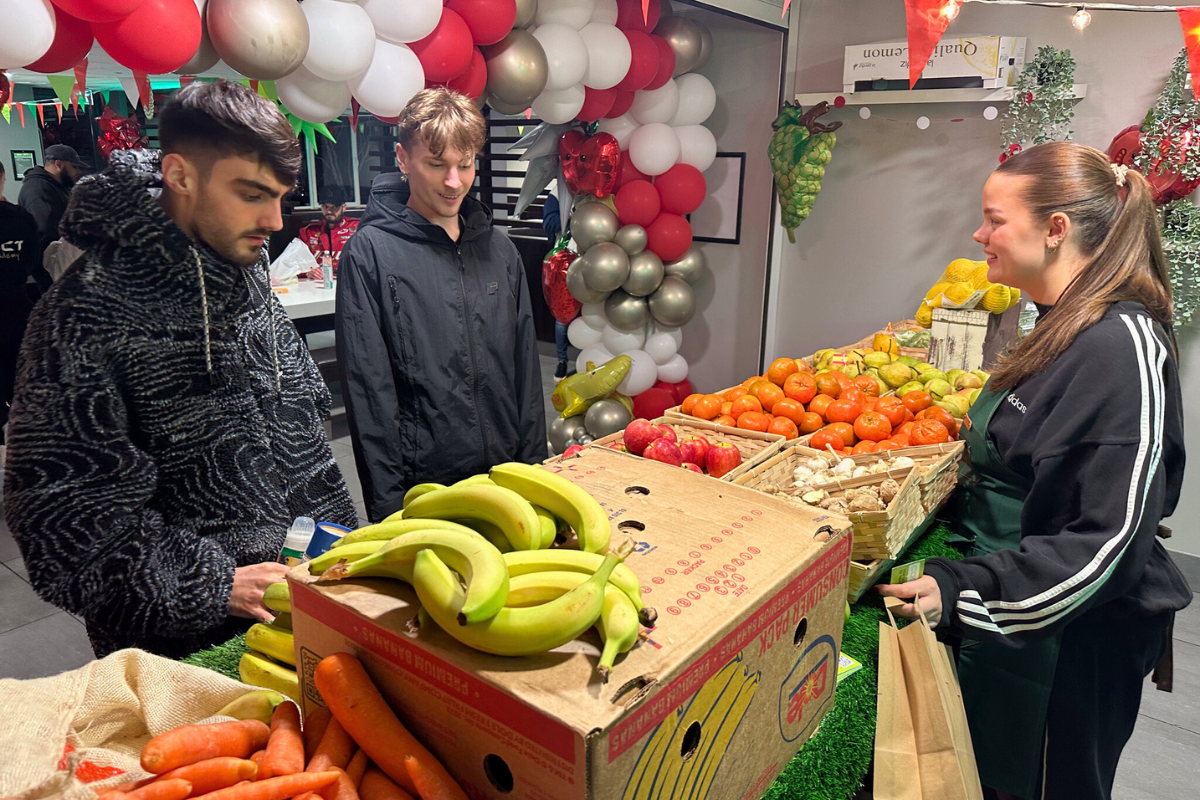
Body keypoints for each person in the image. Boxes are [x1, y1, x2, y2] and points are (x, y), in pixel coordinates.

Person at [878, 142, 1192, 800]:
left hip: (1070, 638)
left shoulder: (1119, 346)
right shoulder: (1060, 322)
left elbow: (1108, 543)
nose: (978, 233)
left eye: (994, 218)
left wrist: (968, 590)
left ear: (1056, 230)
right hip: (1013, 604)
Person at [3, 80, 357, 659]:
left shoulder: (245, 283)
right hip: (187, 650)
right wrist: (213, 586)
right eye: (251, 194)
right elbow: (61, 521)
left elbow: (302, 439)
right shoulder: (82, 316)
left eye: (281, 197)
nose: (274, 220)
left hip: (307, 608)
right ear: (180, 176)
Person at [337, 87, 547, 523]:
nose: (455, 182)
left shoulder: (500, 250)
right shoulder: (370, 253)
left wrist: (533, 473)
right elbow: (368, 391)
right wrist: (388, 510)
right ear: (402, 159)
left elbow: (526, 373)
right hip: (425, 488)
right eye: (437, 165)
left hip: (506, 477)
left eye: (465, 164)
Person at [0, 159, 44, 446]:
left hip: (15, 314)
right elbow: (31, 262)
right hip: (15, 311)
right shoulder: (19, 219)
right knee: (22, 392)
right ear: (3, 178)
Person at [18, 143, 86, 254]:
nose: (78, 172)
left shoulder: (61, 186)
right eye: (74, 166)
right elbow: (48, 231)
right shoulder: (38, 188)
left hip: (63, 256)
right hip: (49, 261)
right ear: (58, 164)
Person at [299, 184, 358, 281]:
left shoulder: (357, 228)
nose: (329, 211)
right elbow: (292, 264)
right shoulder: (309, 231)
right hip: (315, 287)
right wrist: (306, 272)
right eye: (325, 206)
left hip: (349, 284)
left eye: (334, 207)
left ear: (344, 207)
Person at [541, 191, 571, 378]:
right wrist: (572, 217)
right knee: (562, 314)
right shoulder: (557, 193)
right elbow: (549, 224)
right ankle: (562, 361)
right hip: (563, 261)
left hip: (595, 258)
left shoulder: (597, 188)